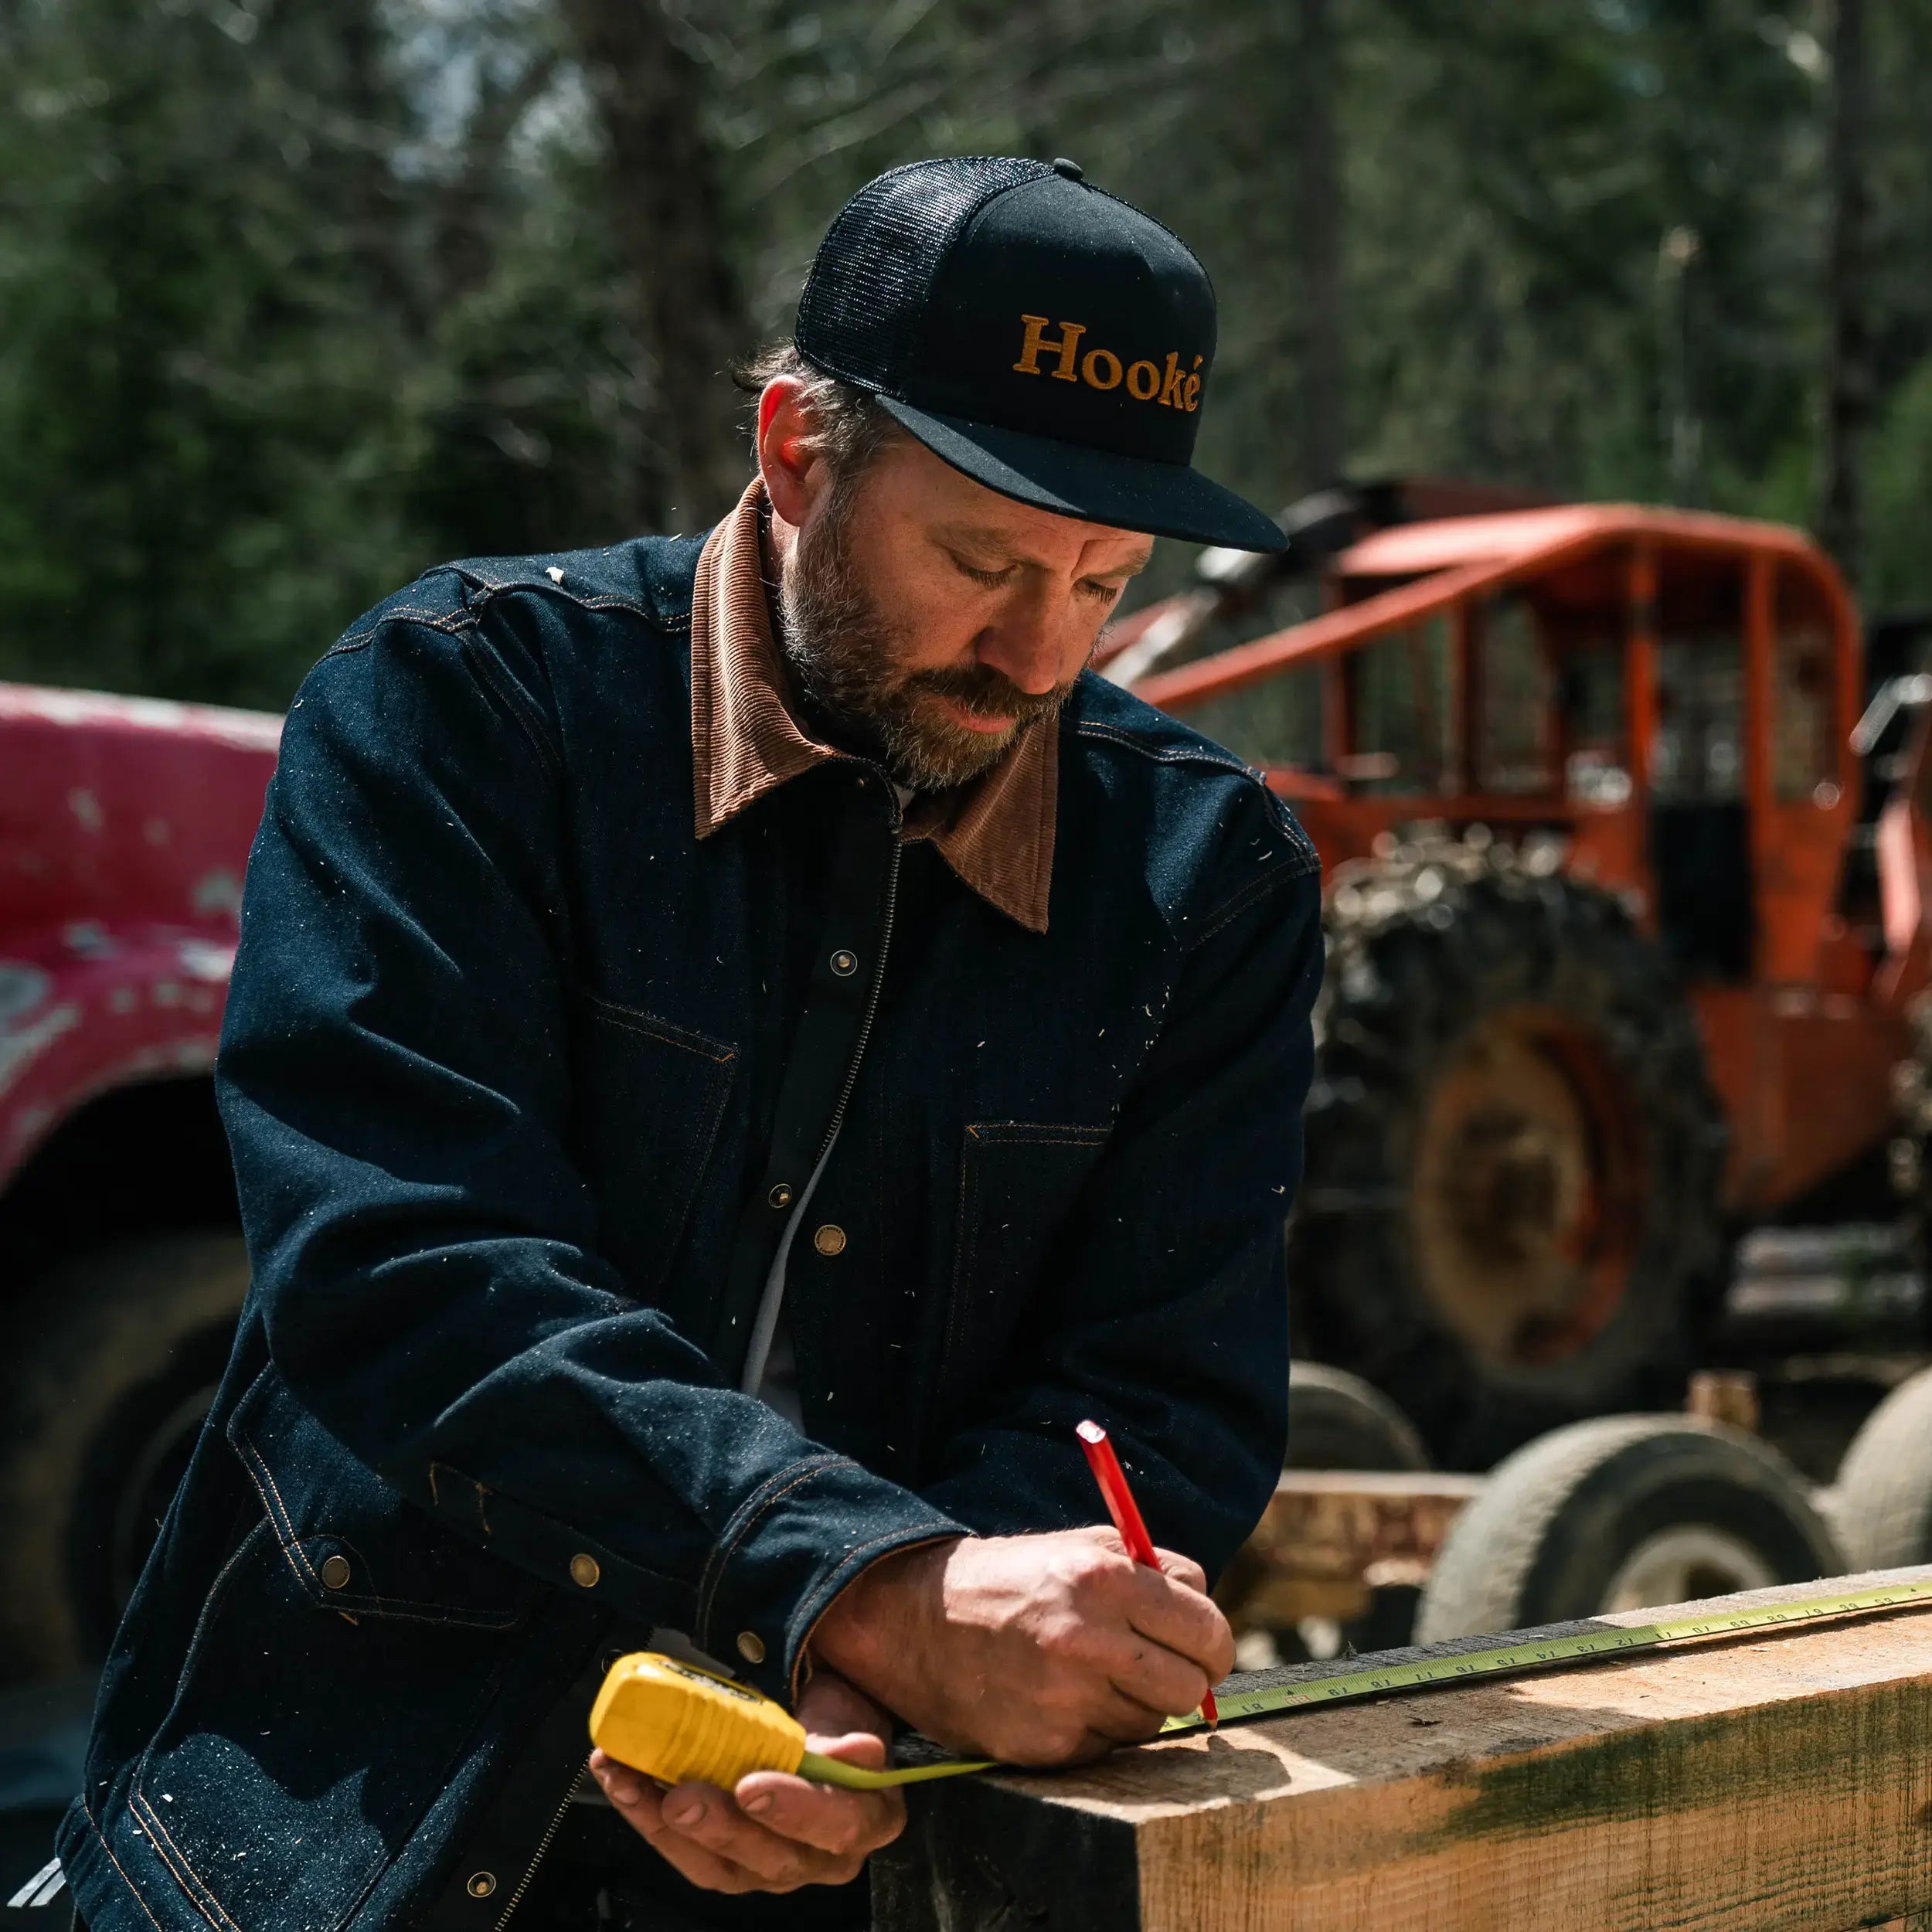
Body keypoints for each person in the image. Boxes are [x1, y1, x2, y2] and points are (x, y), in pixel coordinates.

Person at [57, 156, 1321, 1932]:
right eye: (982, 560)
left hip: (861, 1843)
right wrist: (857, 1586)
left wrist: (873, 1688)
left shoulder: (1207, 881)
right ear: (796, 450)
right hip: (343, 1827)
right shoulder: (459, 705)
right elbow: (405, 1264)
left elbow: (1163, 1399)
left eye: (1104, 581)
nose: (1041, 653)